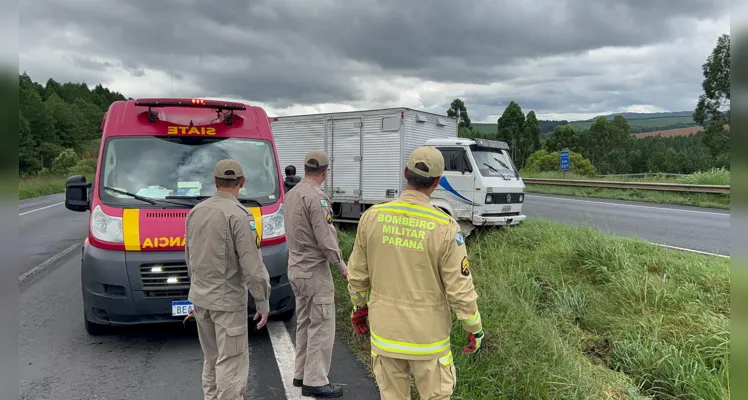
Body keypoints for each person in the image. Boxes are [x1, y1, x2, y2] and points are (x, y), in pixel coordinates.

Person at [346, 146, 485, 400]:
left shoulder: (372, 217)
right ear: (438, 182)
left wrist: (359, 307)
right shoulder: (446, 227)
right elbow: (459, 289)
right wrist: (473, 327)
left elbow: (357, 275)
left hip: (385, 336)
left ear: (404, 174)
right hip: (428, 342)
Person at [185, 159, 272, 400]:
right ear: (242, 183)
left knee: (211, 360)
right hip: (228, 302)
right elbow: (253, 266)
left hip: (201, 299)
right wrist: (262, 302)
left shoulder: (195, 212)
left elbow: (189, 257)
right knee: (231, 364)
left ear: (215, 182)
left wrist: (195, 292)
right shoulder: (241, 216)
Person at [283, 150, 348, 398]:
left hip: (295, 268)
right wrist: (342, 266)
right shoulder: (318, 197)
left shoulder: (291, 194)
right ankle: (316, 380)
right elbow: (326, 238)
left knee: (305, 323)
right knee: (321, 325)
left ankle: (300, 374)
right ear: (325, 171)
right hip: (314, 271)